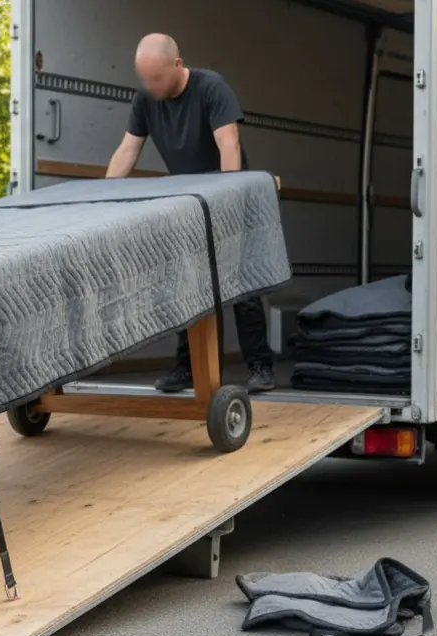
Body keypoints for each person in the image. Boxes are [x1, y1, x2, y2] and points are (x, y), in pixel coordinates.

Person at [105, 33, 275, 394]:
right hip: (189, 203)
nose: (151, 87)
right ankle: (187, 369)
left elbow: (229, 145)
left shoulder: (212, 88)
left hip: (228, 196)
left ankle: (260, 367)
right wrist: (101, 197)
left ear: (177, 64)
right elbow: (127, 150)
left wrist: (227, 201)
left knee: (242, 284)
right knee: (188, 285)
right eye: (145, 79)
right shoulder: (146, 99)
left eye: (157, 78)